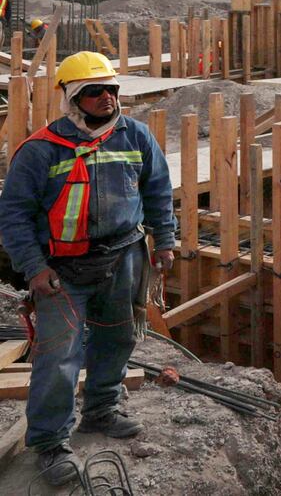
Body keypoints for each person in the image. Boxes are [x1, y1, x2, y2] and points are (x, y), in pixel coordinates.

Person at [0, 51, 175, 486]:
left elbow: (157, 190)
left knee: (117, 338)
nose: (106, 98)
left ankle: (100, 410)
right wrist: (33, 268)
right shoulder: (39, 151)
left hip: (124, 257)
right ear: (72, 98)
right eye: (93, 92)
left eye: (111, 90)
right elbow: (14, 216)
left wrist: (165, 240)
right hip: (63, 271)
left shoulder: (135, 136)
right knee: (59, 357)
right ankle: (50, 442)